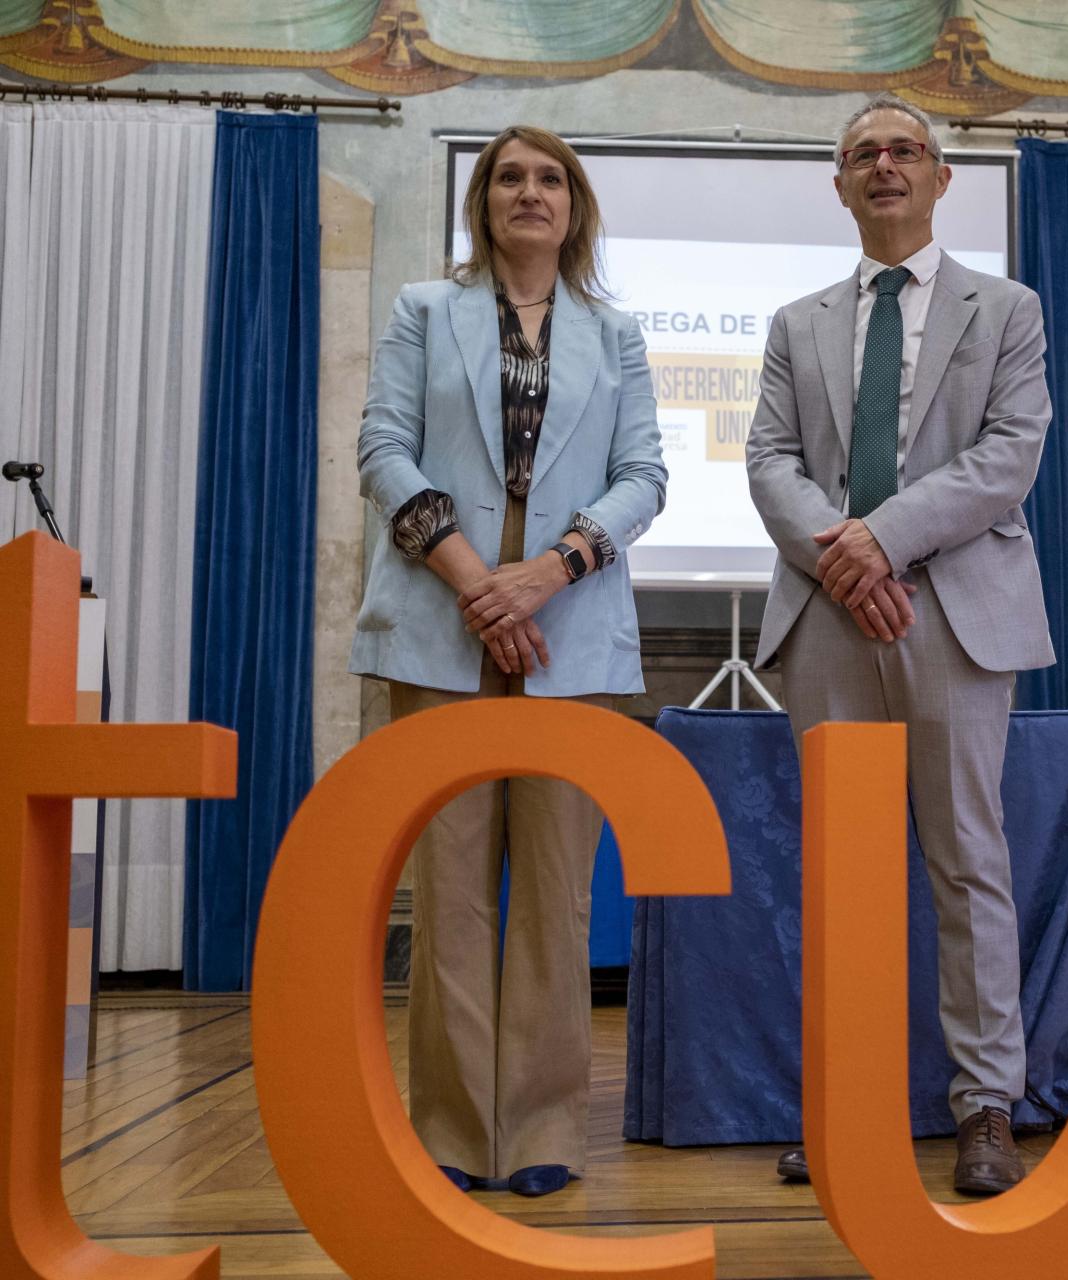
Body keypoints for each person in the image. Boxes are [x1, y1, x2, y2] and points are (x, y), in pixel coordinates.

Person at [350, 125, 666, 1197]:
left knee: (554, 897)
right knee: (446, 891)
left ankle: (540, 1129)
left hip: (565, 635)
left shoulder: (614, 333)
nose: (528, 193)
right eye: (508, 177)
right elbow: (382, 449)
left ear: (574, 206)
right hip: (442, 628)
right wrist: (477, 581)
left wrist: (547, 573)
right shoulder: (422, 312)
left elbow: (644, 475)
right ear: (481, 201)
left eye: (549, 179)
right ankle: (449, 1125)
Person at [745, 95, 1054, 1195]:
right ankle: (845, 1098)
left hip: (958, 616)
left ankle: (984, 1108)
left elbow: (1007, 456)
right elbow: (769, 461)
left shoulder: (1005, 309)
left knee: (967, 860)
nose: (883, 166)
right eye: (862, 154)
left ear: (938, 178)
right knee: (843, 871)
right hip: (828, 621)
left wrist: (877, 539)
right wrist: (847, 563)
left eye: (903, 150)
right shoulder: (795, 322)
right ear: (838, 184)